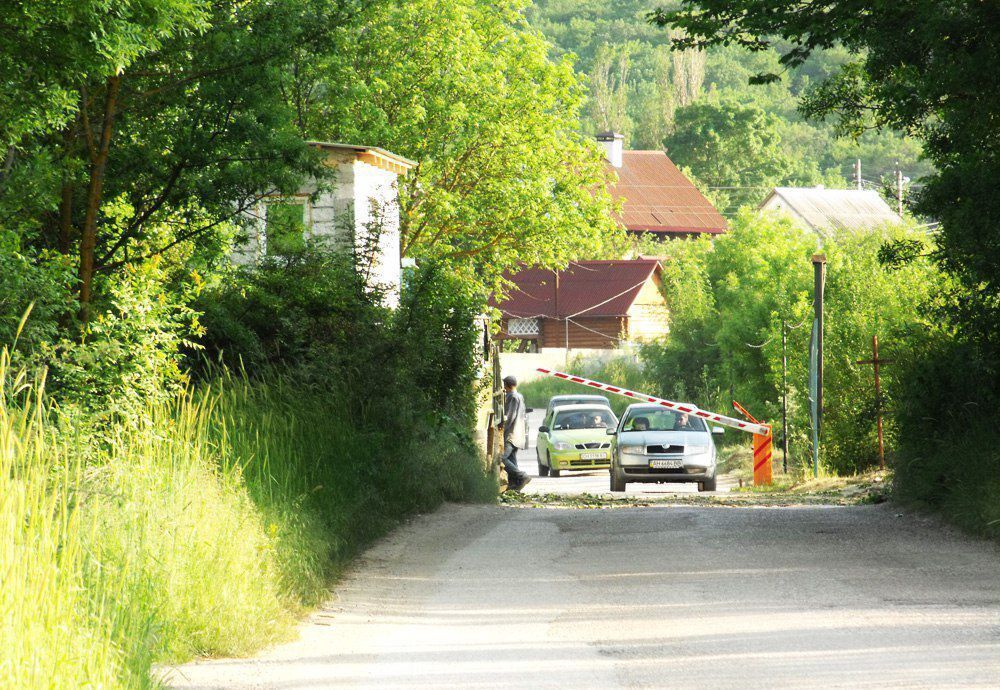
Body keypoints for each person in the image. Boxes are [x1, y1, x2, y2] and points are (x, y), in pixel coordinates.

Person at [498, 375, 531, 491]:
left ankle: (522, 476)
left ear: (506, 385)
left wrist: (502, 431)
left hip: (511, 435)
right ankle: (516, 485)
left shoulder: (512, 397)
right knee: (512, 460)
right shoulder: (520, 396)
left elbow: (510, 417)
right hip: (518, 435)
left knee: (501, 458)